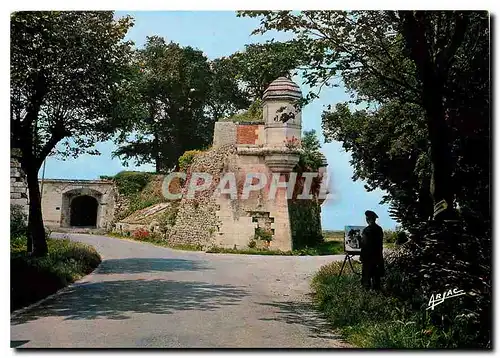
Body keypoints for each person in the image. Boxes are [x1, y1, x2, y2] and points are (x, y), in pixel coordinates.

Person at [360, 210, 384, 290]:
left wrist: (359, 240)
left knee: (366, 281)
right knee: (376, 281)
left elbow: (364, 244)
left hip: (368, 258)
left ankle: (366, 299)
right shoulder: (379, 229)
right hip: (377, 258)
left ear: (368, 219)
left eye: (367, 218)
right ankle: (376, 297)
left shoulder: (367, 230)